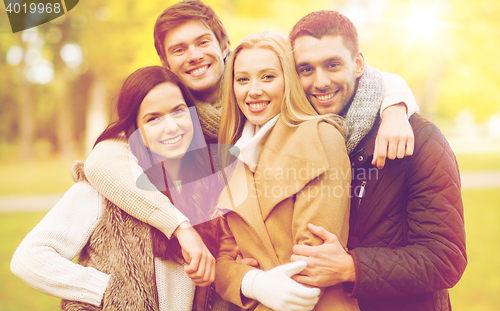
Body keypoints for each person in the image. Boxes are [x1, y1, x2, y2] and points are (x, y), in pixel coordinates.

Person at [82, 0, 419, 251]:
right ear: (165, 62)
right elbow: (101, 161)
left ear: (223, 44)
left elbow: (347, 72)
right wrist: (178, 226)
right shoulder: (171, 116)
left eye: (202, 42)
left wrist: (394, 106)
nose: (194, 55)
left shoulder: (255, 90)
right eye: (179, 50)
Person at [11, 66, 233, 311]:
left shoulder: (209, 189)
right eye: (153, 119)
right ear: (134, 130)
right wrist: (110, 293)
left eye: (178, 111)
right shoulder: (107, 187)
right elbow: (29, 257)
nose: (171, 126)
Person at [285, 11, 466, 311]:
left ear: (357, 64)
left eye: (332, 64)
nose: (320, 81)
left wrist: (351, 267)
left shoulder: (418, 138)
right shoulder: (295, 140)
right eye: (306, 69)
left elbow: (445, 258)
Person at [214, 30, 364, 311]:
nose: (253, 91)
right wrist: (251, 282)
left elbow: (311, 268)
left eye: (267, 77)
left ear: (289, 82)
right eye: (242, 80)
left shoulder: (318, 137)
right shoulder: (234, 157)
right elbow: (222, 259)